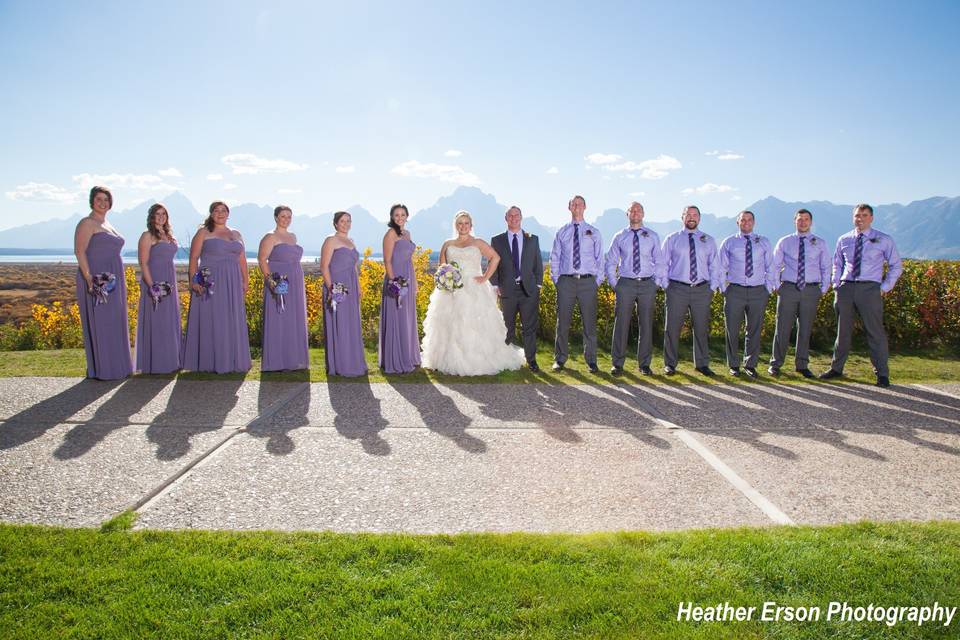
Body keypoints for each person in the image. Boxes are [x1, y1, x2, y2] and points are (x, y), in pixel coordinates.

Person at [420, 211, 524, 375]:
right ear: (456, 225)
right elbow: (442, 267)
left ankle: (478, 359)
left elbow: (495, 258)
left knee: (474, 325)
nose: (463, 226)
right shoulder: (448, 243)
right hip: (452, 289)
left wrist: (485, 277)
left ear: (471, 225)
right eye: (460, 223)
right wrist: (446, 280)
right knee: (450, 324)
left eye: (466, 223)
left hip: (474, 288)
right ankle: (444, 359)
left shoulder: (477, 242)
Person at [820, 203, 902, 387]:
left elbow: (896, 265)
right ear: (853, 217)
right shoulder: (844, 239)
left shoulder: (883, 239)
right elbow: (837, 264)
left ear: (871, 218)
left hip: (870, 289)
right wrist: (836, 284)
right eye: (857, 215)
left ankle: (882, 373)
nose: (860, 218)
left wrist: (884, 287)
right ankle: (836, 368)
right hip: (846, 289)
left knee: (875, 332)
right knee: (843, 332)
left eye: (864, 215)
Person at [181, 201, 252, 373]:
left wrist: (245, 279)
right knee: (212, 317)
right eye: (216, 210)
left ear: (228, 213)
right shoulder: (204, 232)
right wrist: (193, 281)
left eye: (223, 210)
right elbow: (193, 258)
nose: (220, 213)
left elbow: (241, 259)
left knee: (230, 317)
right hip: (210, 280)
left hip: (232, 281)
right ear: (211, 214)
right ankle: (209, 360)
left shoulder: (236, 233)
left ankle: (232, 358)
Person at [73, 185, 133, 380]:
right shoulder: (87, 223)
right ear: (92, 201)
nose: (103, 203)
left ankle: (118, 366)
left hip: (114, 277)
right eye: (99, 199)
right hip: (98, 278)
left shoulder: (108, 223)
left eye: (106, 199)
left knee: (115, 319)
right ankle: (104, 368)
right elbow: (80, 251)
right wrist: (89, 278)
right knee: (102, 321)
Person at [604, 201, 666, 376]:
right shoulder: (620, 236)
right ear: (627, 214)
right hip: (626, 283)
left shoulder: (652, 235)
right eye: (632, 210)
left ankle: (644, 364)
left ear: (643, 214)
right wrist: (615, 284)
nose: (636, 213)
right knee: (621, 324)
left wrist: (656, 283)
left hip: (647, 284)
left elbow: (659, 262)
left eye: (639, 210)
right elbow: (611, 262)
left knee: (646, 324)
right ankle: (617, 363)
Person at [768, 208, 831, 378]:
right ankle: (775, 364)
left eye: (806, 219)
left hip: (811, 289)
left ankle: (802, 365)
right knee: (782, 328)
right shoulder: (785, 241)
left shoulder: (820, 243)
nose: (803, 222)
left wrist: (823, 288)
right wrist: (776, 286)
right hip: (788, 288)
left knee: (805, 328)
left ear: (811, 222)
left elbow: (826, 267)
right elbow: (774, 265)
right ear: (794, 221)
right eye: (799, 219)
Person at [662, 205, 721, 376]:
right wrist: (667, 285)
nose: (691, 218)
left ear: (699, 218)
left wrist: (712, 287)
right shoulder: (672, 239)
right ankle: (670, 364)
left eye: (695, 215)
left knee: (701, 328)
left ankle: (702, 364)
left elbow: (714, 265)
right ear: (682, 218)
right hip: (677, 288)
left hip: (701, 289)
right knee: (672, 328)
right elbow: (662, 264)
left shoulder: (708, 240)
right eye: (688, 215)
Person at [718, 210, 776, 378]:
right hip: (735, 290)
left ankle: (750, 364)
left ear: (754, 222)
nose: (746, 222)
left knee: (754, 330)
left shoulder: (763, 242)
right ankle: (734, 365)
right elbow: (721, 267)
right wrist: (723, 288)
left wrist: (768, 288)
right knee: (732, 329)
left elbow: (770, 266)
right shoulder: (729, 242)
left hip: (758, 290)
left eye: (749, 220)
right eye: (743, 220)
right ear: (738, 223)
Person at [549, 195, 603, 373]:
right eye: (574, 204)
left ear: (585, 207)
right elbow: (555, 257)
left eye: (580, 204)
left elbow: (600, 259)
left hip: (588, 282)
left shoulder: (594, 232)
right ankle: (560, 359)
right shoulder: (562, 232)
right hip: (566, 282)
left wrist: (597, 281)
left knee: (589, 323)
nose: (577, 206)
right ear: (569, 207)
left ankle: (591, 361)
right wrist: (557, 280)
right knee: (562, 322)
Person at [490, 205, 543, 372]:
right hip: (507, 290)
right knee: (507, 327)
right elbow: (493, 264)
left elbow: (538, 264)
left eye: (517, 215)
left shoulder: (532, 239)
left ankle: (532, 360)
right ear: (506, 218)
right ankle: (504, 360)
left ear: (521, 217)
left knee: (529, 327)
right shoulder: (497, 240)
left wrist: (538, 285)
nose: (514, 218)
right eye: (510, 215)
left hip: (529, 290)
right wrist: (495, 284)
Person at [258, 205, 309, 371]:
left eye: (289, 216)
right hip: (279, 280)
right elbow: (262, 259)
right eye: (282, 216)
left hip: (295, 279)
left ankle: (293, 359)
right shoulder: (270, 236)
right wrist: (271, 281)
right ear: (275, 217)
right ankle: (276, 361)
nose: (286, 219)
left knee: (293, 317)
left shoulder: (293, 237)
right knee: (279, 316)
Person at [135, 202, 182, 374]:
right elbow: (143, 263)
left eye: (164, 213)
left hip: (170, 279)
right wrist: (152, 286)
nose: (161, 216)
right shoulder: (147, 236)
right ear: (152, 217)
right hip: (154, 279)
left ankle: (171, 360)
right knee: (157, 319)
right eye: (158, 214)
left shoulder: (169, 235)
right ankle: (156, 362)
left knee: (169, 319)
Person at [321, 211, 367, 377]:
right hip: (337, 285)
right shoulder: (331, 240)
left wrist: (359, 286)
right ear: (335, 223)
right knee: (339, 323)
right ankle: (340, 364)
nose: (346, 224)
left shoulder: (351, 241)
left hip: (352, 285)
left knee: (351, 323)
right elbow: (324, 266)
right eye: (342, 221)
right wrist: (332, 288)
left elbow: (355, 266)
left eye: (348, 221)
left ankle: (353, 361)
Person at [379, 203, 421, 374]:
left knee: (407, 317)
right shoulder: (390, 234)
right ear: (392, 217)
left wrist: (415, 281)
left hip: (408, 277)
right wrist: (394, 283)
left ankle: (407, 355)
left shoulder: (407, 233)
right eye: (396, 215)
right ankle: (395, 358)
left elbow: (409, 260)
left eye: (403, 214)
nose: (400, 218)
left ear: (407, 216)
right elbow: (387, 261)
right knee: (397, 315)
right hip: (395, 279)